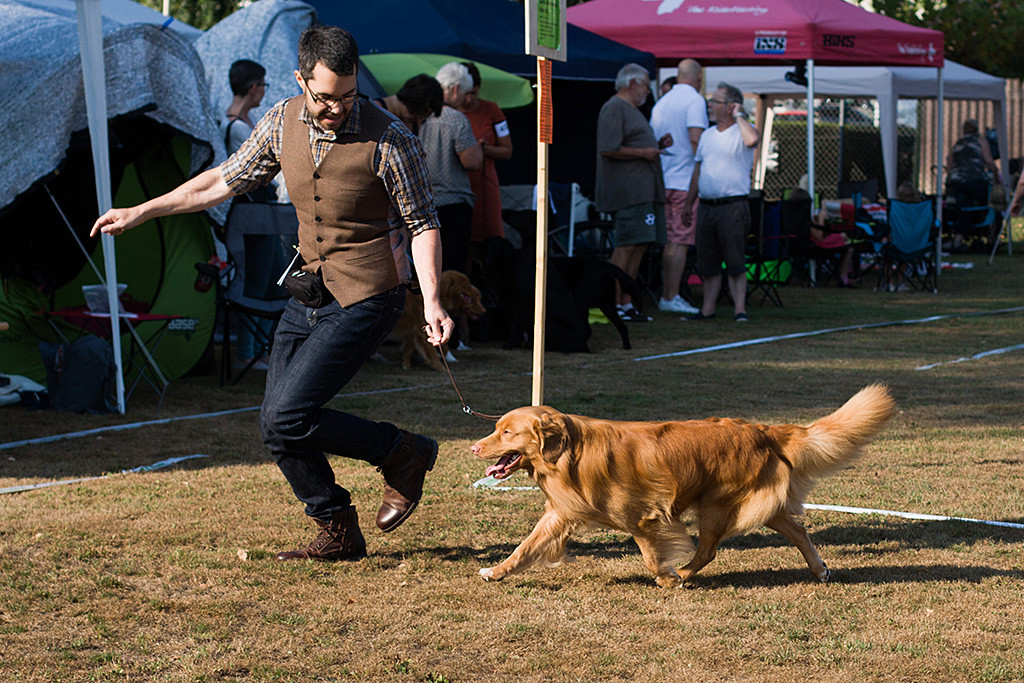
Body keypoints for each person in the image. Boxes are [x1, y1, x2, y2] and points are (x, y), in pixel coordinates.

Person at [91, 25, 453, 562]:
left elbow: (422, 223)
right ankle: (337, 526)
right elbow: (221, 181)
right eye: (325, 97)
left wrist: (431, 299)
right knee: (276, 424)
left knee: (288, 413)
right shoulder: (280, 120)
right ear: (300, 79)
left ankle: (400, 451)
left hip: (368, 294)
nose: (336, 109)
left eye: (348, 97)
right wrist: (145, 210)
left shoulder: (390, 137)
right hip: (309, 291)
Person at [595, 63, 669, 323]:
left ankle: (626, 302)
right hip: (628, 192)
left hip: (644, 190)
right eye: (646, 85)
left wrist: (656, 145)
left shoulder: (633, 110)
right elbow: (608, 148)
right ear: (632, 84)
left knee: (640, 244)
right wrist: (644, 152)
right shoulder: (614, 107)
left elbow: (630, 143)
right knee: (626, 245)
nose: (648, 91)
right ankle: (612, 301)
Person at [681, 82, 759, 322]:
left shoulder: (742, 130)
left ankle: (740, 310)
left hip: (732, 207)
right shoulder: (707, 135)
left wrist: (740, 115)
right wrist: (688, 203)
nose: (710, 105)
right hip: (707, 207)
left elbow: (752, 140)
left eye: (716, 101)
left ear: (731, 106)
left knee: (735, 260)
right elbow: (698, 171)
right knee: (708, 262)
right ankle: (708, 310)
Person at [223, 59, 275, 370]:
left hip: (261, 212)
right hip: (252, 214)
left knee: (271, 278)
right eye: (263, 85)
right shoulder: (236, 127)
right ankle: (247, 352)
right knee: (256, 281)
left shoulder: (244, 121)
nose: (263, 92)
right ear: (253, 87)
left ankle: (258, 349)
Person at [650, 58, 706, 315]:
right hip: (685, 181)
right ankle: (671, 295)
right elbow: (696, 139)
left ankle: (667, 293)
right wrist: (705, 163)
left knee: (669, 241)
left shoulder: (662, 101)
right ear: (698, 78)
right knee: (680, 242)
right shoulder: (694, 101)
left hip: (663, 180)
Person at [419, 62, 483, 275]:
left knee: (426, 267)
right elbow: (472, 162)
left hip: (423, 204)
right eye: (464, 93)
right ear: (455, 89)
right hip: (454, 205)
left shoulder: (419, 115)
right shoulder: (457, 119)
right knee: (452, 268)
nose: (465, 99)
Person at [458, 62, 513, 248]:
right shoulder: (447, 113)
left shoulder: (492, 110)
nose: (468, 100)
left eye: (472, 93)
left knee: (492, 240)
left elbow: (507, 151)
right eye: (464, 94)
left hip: (486, 187)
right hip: (458, 187)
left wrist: (483, 149)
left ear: (478, 89)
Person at [945, 118, 999, 251]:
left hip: (957, 183)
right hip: (976, 181)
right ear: (977, 129)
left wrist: (949, 184)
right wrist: (996, 174)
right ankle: (989, 236)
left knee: (963, 206)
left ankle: (959, 238)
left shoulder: (957, 143)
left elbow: (949, 166)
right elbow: (988, 160)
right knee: (991, 202)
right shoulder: (980, 141)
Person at [373, 74, 443, 134]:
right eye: (419, 114)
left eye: (423, 117)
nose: (419, 120)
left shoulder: (413, 123)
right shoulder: (375, 111)